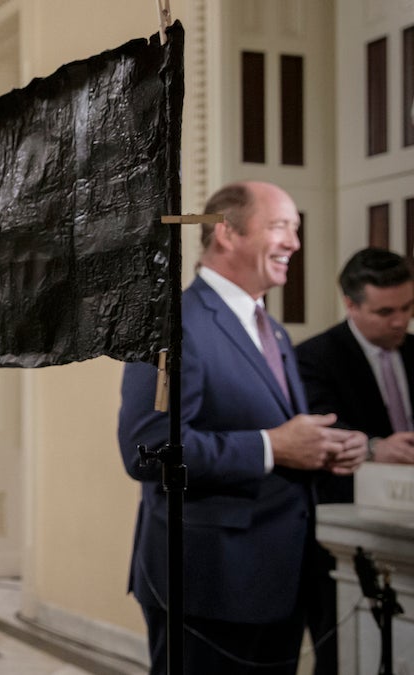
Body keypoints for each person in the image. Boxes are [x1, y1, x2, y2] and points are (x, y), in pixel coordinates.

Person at [117, 181, 368, 675]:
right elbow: (145, 449)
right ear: (226, 232)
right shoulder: (171, 322)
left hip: (281, 578)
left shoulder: (271, 329)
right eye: (280, 227)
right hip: (208, 584)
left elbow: (279, 434)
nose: (295, 243)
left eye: (296, 229)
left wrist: (323, 449)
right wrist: (271, 447)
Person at [295, 247, 414, 675]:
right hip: (344, 534)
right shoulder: (312, 357)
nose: (400, 321)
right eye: (385, 312)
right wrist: (375, 447)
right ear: (351, 303)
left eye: (407, 307)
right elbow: (319, 434)